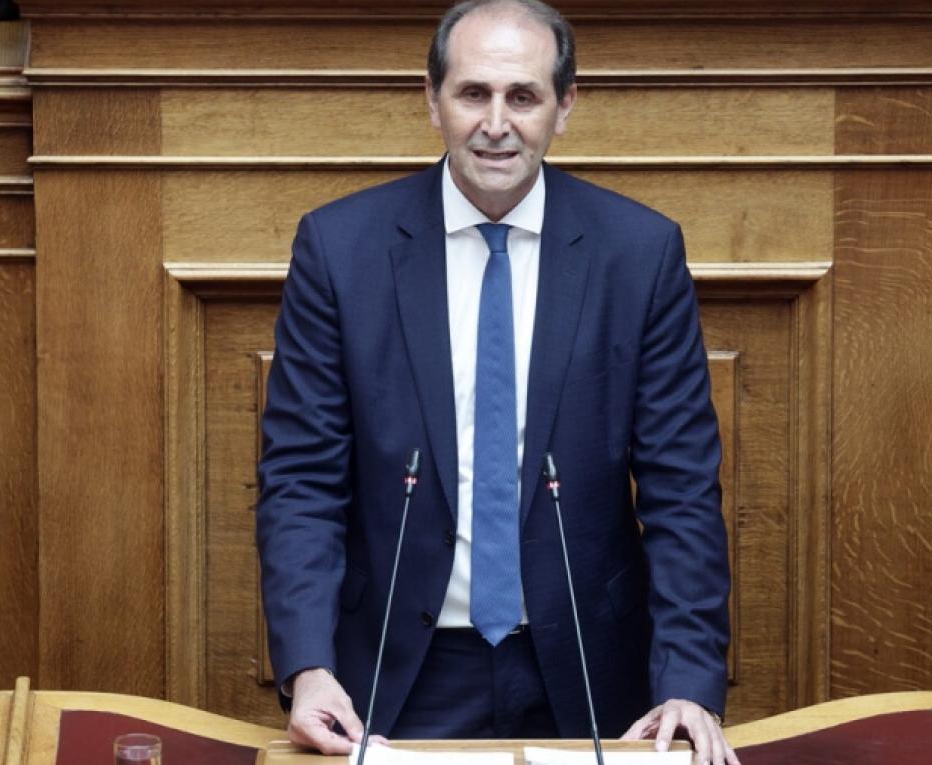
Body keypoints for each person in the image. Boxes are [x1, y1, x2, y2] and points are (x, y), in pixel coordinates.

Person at [255, 2, 736, 764]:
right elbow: (302, 481)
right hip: (396, 674)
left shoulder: (639, 254)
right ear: (432, 99)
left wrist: (687, 681)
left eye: (524, 96)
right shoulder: (340, 250)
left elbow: (682, 491)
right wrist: (308, 665)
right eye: (473, 93)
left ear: (565, 105)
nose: (496, 124)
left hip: (588, 668)